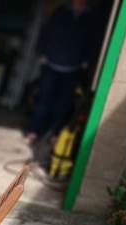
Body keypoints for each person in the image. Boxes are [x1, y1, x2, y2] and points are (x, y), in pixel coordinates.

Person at [25, 0, 100, 145]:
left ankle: (55, 134)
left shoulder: (91, 16)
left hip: (74, 66)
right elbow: (46, 31)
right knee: (43, 100)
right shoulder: (61, 11)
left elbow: (94, 40)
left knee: (63, 103)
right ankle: (33, 132)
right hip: (51, 62)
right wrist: (41, 52)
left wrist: (86, 60)